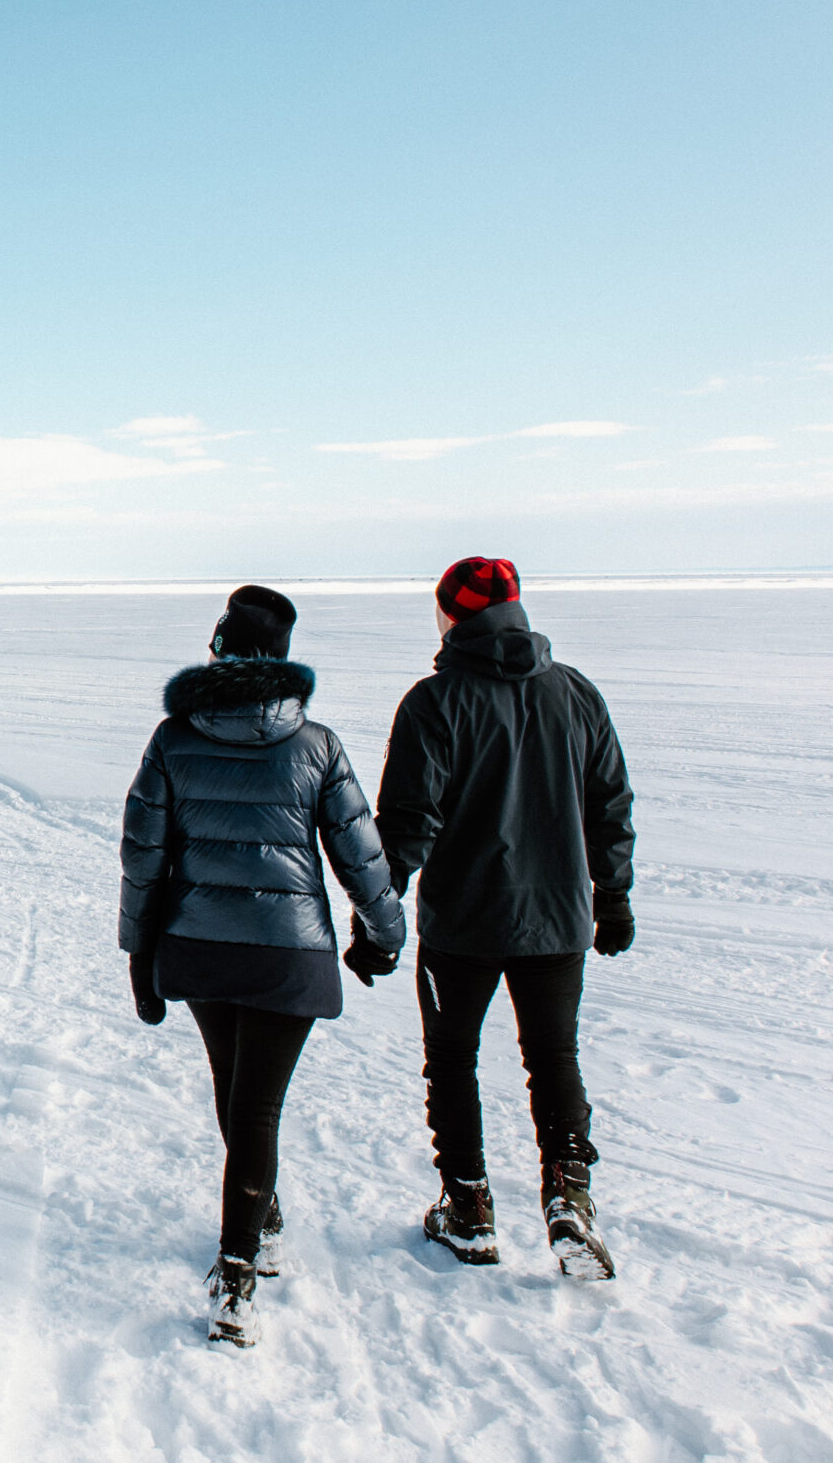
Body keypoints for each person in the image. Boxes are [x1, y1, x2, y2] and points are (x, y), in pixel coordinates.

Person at [119, 584, 407, 1348]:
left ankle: (254, 1231)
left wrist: (139, 952)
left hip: (202, 944)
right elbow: (358, 849)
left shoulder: (174, 737)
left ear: (219, 649)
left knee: (235, 1090)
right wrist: (385, 931)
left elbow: (143, 855)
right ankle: (243, 1257)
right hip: (289, 950)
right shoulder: (316, 744)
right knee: (255, 1104)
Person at [375, 557, 636, 1280]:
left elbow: (404, 824)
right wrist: (610, 894)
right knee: (553, 1056)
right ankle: (569, 1197)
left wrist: (377, 912)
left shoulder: (435, 702)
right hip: (557, 920)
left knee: (453, 1059)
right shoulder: (575, 692)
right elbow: (609, 802)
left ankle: (468, 1206)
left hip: (463, 923)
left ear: (449, 616)